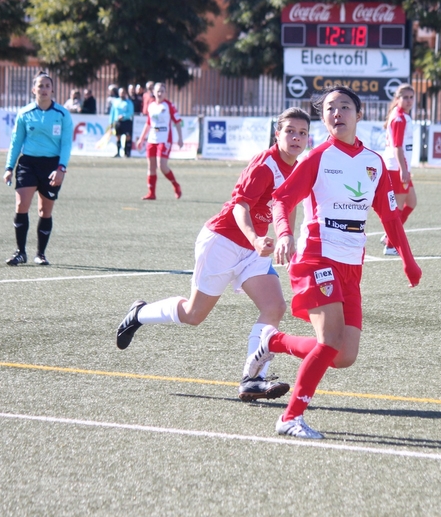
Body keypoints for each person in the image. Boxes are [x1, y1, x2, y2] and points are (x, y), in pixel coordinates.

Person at [243, 85, 422, 439]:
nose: (337, 113)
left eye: (344, 107)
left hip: (351, 266)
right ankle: (290, 418)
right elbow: (281, 200)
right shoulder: (317, 157)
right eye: (329, 108)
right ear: (323, 118)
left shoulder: (374, 163)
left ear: (359, 114)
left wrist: (408, 260)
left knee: (343, 355)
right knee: (328, 342)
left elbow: (389, 217)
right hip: (315, 257)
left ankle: (273, 342)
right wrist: (284, 234)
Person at [116, 108, 312, 402]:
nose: (296, 137)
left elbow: (289, 204)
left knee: (275, 306)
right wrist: (257, 239)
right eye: (290, 131)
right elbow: (239, 207)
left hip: (252, 250)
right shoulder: (264, 165)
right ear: (277, 133)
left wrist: (287, 237)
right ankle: (139, 314)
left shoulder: (297, 167)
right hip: (222, 242)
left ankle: (253, 378)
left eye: (303, 133)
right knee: (194, 315)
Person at [3, 71, 74, 266]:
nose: (43, 89)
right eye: (40, 86)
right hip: (28, 164)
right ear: (33, 89)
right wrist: (9, 167)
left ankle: (41, 254)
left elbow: (66, 144)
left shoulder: (62, 114)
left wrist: (61, 168)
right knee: (21, 205)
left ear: (52, 90)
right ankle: (20, 252)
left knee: (45, 210)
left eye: (47, 86)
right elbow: (16, 141)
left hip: (52, 166)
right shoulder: (25, 113)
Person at [381, 83, 417, 255]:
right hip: (396, 167)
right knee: (399, 207)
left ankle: (389, 236)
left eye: (411, 97)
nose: (409, 100)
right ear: (398, 99)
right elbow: (397, 147)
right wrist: (403, 169)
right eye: (405, 97)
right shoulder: (399, 118)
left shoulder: (402, 116)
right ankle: (390, 244)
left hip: (401, 166)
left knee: (412, 202)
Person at [135, 82, 183, 199]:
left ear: (166, 93)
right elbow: (148, 123)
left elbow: (177, 122)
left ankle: (176, 185)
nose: (160, 93)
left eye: (162, 91)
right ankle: (151, 193)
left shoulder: (168, 106)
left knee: (162, 166)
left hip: (164, 140)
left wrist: (180, 138)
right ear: (154, 92)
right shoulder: (151, 105)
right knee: (151, 166)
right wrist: (141, 139)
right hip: (152, 139)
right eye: (157, 91)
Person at [109, 87, 134, 158]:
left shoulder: (129, 102)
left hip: (126, 121)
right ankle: (118, 152)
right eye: (120, 93)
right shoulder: (116, 102)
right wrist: (111, 122)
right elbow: (112, 113)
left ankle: (127, 152)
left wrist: (124, 116)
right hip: (118, 122)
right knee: (118, 136)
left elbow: (131, 112)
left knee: (128, 136)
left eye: (123, 93)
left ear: (125, 93)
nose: (122, 94)